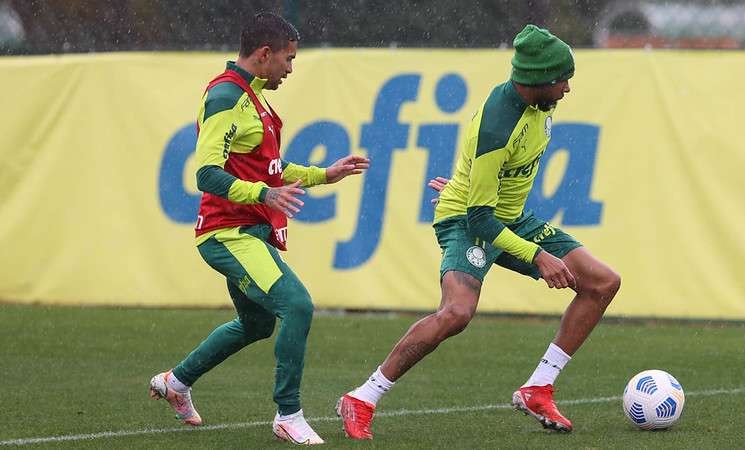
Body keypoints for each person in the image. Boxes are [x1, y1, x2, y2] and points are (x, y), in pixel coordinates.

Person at [336, 25, 620, 439]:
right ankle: (362, 397)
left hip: (508, 216)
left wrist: (465, 183)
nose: (567, 89)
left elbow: (490, 183)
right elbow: (480, 219)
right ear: (539, 79)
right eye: (562, 80)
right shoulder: (498, 127)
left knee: (602, 283)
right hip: (469, 221)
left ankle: (538, 387)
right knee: (456, 313)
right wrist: (537, 255)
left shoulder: (538, 103)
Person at [148, 12, 369, 445]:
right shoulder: (226, 96)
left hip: (248, 229)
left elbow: (269, 168)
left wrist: (325, 174)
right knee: (298, 306)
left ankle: (176, 382)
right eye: (289, 58)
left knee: (257, 323)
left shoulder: (253, 96)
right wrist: (264, 195)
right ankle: (288, 414)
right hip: (227, 232)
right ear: (265, 54)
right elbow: (206, 174)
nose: (290, 68)